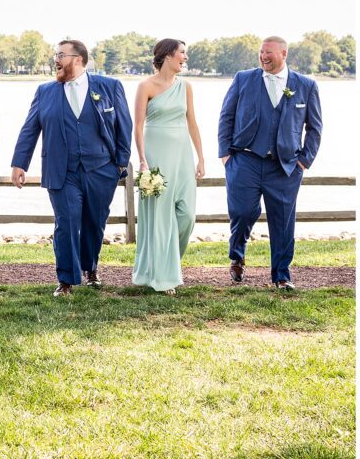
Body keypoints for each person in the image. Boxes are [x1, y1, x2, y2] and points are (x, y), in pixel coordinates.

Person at [11, 39, 132, 296]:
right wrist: (19, 162)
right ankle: (65, 279)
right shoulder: (45, 91)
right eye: (56, 55)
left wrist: (120, 163)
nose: (55, 59)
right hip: (61, 170)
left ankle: (91, 269)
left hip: (101, 168)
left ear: (78, 59)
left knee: (94, 221)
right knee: (66, 222)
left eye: (61, 55)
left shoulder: (109, 86)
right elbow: (30, 128)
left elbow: (124, 125)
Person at [218, 37, 322, 290]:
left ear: (284, 53)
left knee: (283, 221)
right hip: (244, 160)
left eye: (269, 52)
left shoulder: (306, 85)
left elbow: (315, 127)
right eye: (261, 52)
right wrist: (225, 154)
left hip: (285, 166)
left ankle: (281, 276)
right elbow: (226, 117)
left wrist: (303, 162)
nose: (263, 56)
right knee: (242, 212)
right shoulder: (243, 78)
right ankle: (237, 255)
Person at [130, 40, 205, 294]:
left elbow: (192, 122)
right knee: (160, 218)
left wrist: (201, 157)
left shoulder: (186, 87)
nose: (185, 57)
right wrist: (142, 160)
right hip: (156, 156)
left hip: (182, 156)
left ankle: (167, 264)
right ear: (168, 55)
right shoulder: (145, 86)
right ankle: (162, 277)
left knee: (186, 217)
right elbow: (138, 126)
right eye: (182, 52)